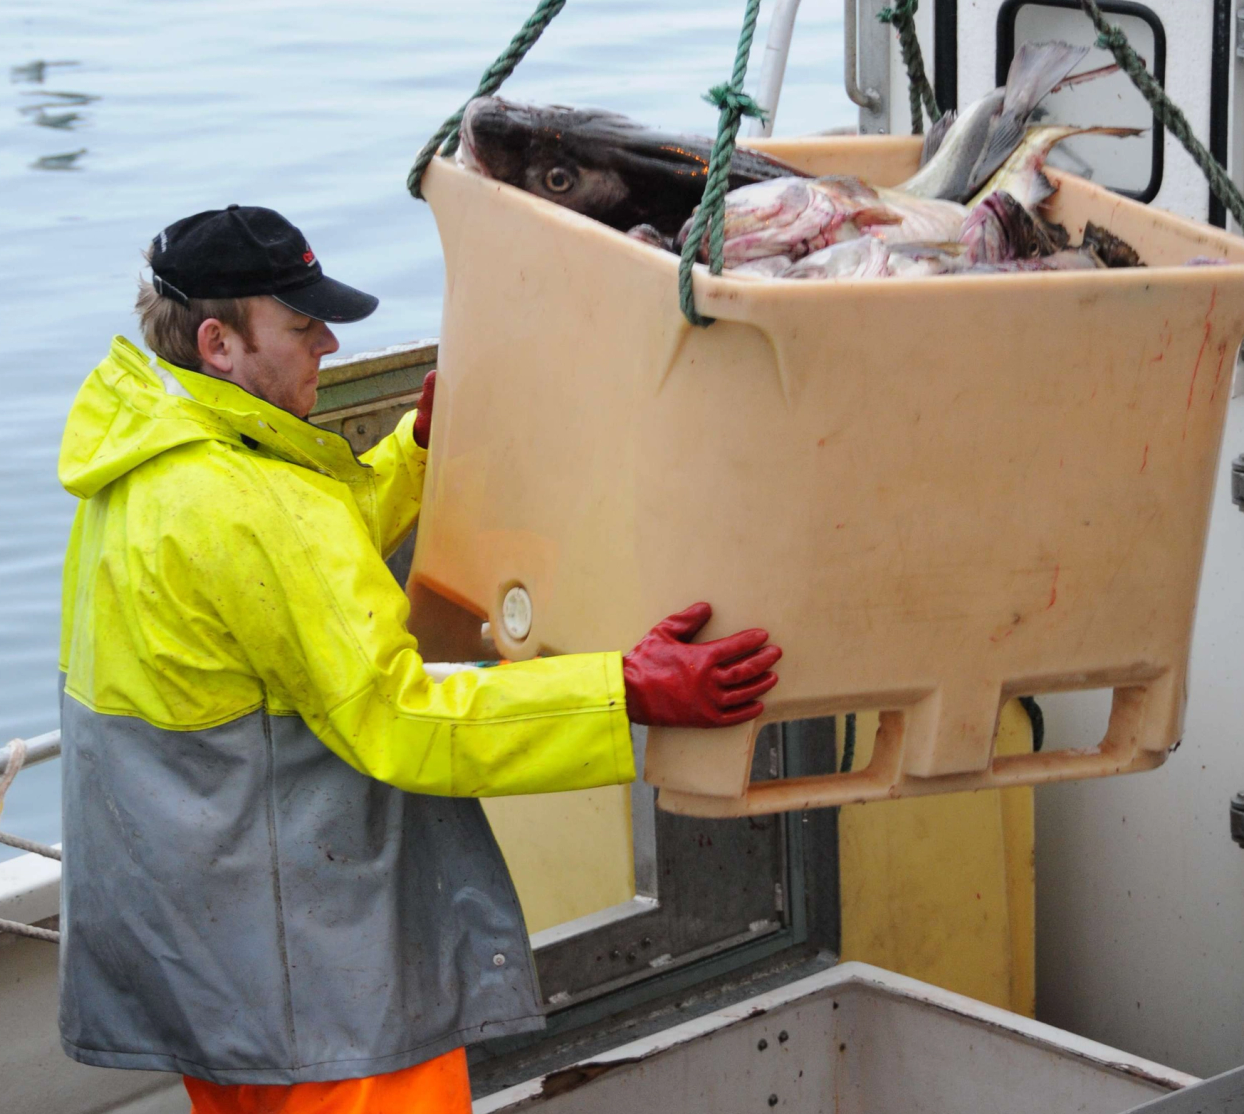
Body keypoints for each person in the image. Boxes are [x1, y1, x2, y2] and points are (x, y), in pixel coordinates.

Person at [56, 205, 782, 1114]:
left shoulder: (144, 464)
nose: (326, 342)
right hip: (315, 996)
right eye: (299, 324)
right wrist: (625, 691)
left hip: (205, 974)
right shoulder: (259, 506)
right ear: (219, 343)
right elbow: (402, 719)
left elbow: (281, 595)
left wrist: (417, 452)